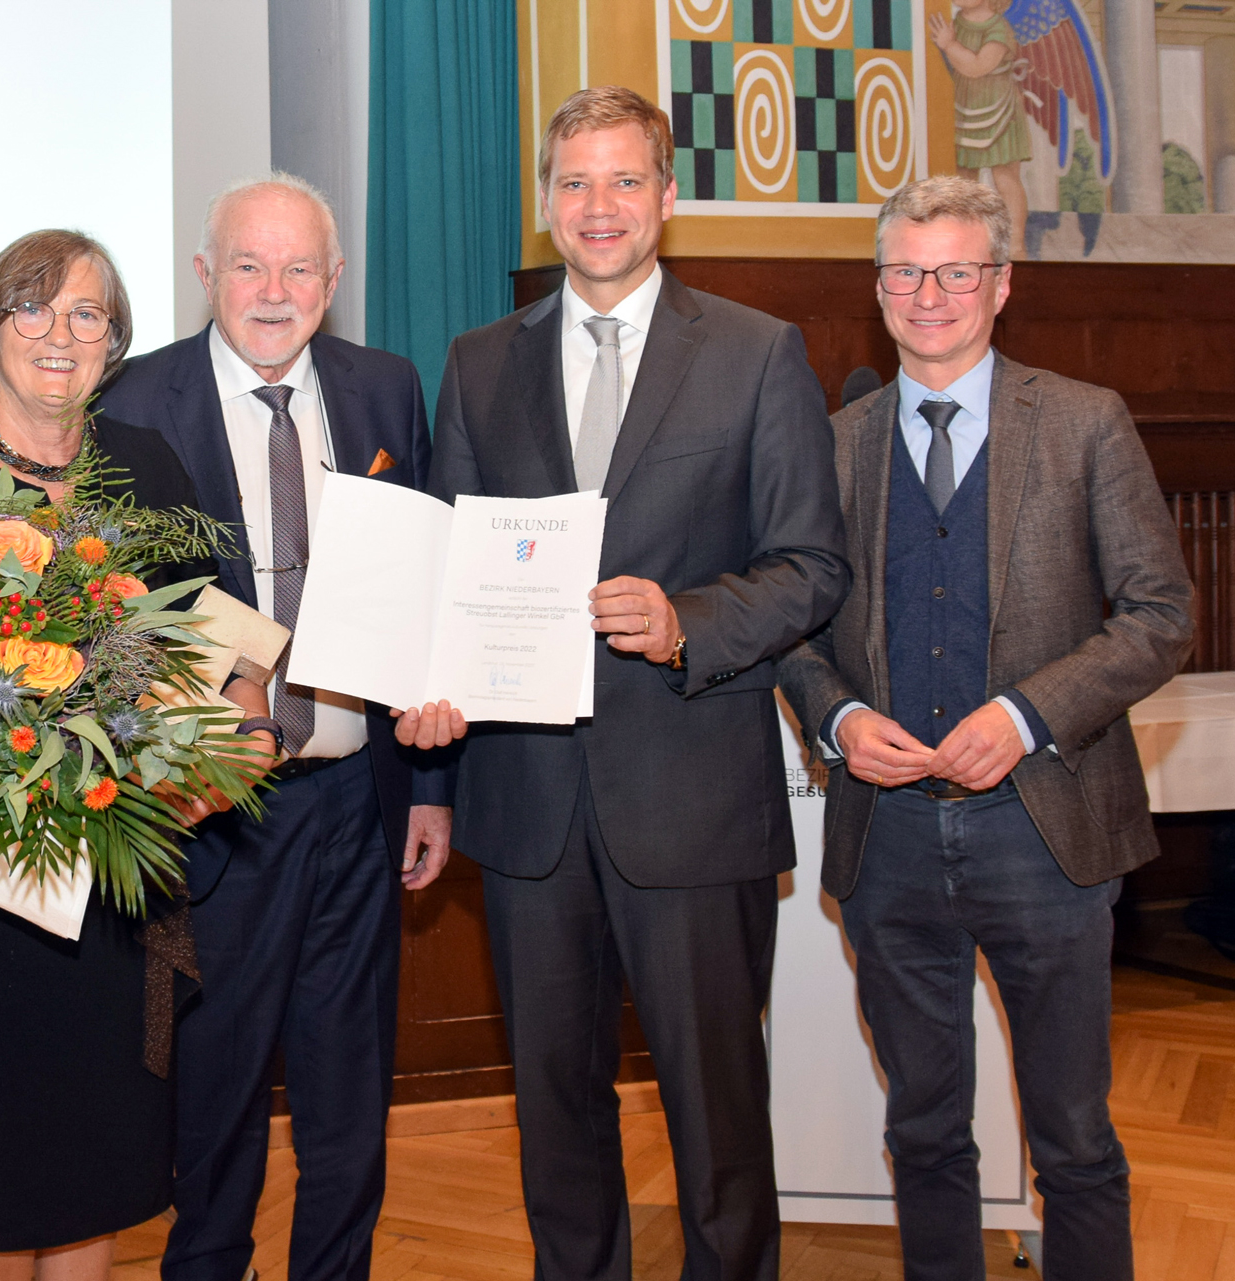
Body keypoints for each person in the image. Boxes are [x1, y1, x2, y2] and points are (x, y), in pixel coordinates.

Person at [396, 87, 848, 1280]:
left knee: (715, 1114)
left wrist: (686, 619)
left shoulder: (756, 351)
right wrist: (433, 706)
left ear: (666, 197)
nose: (599, 207)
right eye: (575, 184)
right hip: (529, 803)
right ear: (547, 204)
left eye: (624, 180)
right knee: (554, 1109)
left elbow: (813, 567)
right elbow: (452, 561)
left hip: (693, 798)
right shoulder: (479, 361)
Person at [777, 175, 1193, 1280]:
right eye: (908, 271)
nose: (931, 293)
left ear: (1001, 286)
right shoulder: (837, 441)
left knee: (1075, 1142)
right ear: (879, 287)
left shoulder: (1084, 422)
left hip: (1048, 839)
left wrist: (1025, 716)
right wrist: (841, 717)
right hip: (890, 847)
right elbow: (795, 629)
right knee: (922, 1132)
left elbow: (1162, 616)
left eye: (957, 270)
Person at [0, 228, 281, 1281]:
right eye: (33, 309)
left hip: (115, 894)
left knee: (96, 1167)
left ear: (117, 342)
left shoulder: (146, 465)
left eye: (88, 314)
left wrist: (237, 727)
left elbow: (220, 633)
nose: (60, 335)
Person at [96, 174, 452, 1281]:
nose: (273, 290)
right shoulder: (133, 403)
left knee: (350, 1082)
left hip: (361, 795)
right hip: (215, 812)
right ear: (205, 276)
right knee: (217, 1080)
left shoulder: (386, 389)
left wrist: (433, 786)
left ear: (334, 282)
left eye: (300, 268)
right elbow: (108, 622)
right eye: (248, 265)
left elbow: (429, 586)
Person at [931, 1, 1030, 257]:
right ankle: (965, 239)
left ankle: (1016, 242)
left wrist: (949, 45)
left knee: (1005, 177)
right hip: (966, 109)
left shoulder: (998, 28)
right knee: (963, 177)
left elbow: (976, 67)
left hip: (999, 111)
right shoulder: (956, 23)